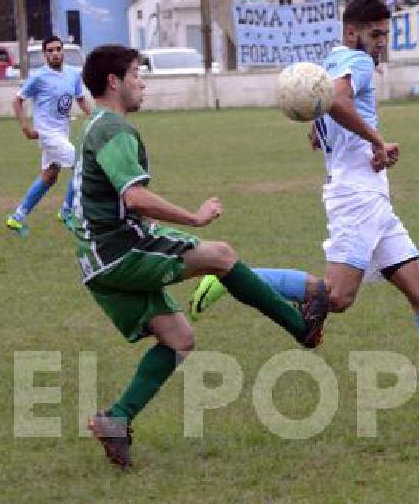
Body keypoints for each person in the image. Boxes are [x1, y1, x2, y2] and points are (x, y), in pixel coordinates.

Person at [192, 0, 419, 424]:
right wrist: (376, 141)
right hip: (358, 198)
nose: (383, 41)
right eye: (377, 34)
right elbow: (335, 99)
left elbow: (324, 109)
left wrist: (324, 132)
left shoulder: (332, 59)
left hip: (368, 197)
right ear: (353, 32)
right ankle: (234, 276)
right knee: (336, 297)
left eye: (386, 34)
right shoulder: (357, 62)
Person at [74, 45, 328, 469]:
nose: (143, 82)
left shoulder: (95, 126)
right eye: (137, 73)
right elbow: (134, 196)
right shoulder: (113, 129)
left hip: (96, 261)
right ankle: (301, 325)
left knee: (179, 339)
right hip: (118, 251)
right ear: (114, 81)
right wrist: (193, 218)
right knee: (221, 255)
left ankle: (115, 419)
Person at [6, 35, 91, 237]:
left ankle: (17, 217)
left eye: (57, 49)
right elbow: (17, 101)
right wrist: (25, 127)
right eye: (50, 50)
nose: (54, 53)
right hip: (47, 134)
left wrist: (96, 117)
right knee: (82, 166)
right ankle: (66, 211)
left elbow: (80, 99)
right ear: (45, 54)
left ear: (63, 51)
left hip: (62, 132)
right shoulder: (39, 77)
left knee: (50, 176)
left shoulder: (73, 74)